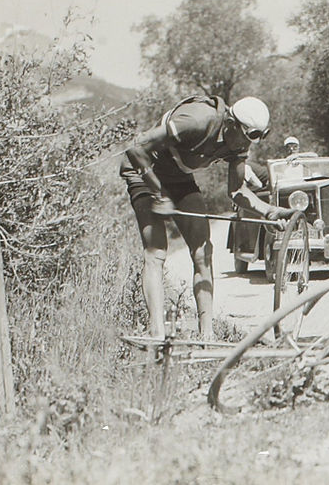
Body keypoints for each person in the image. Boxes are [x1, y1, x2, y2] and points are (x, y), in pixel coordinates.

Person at [120, 95, 294, 340]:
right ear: (231, 123)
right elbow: (135, 146)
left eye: (256, 137)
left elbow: (237, 192)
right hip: (144, 171)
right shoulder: (197, 120)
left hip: (179, 177)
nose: (249, 144)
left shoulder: (239, 143)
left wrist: (269, 211)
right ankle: (157, 334)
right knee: (156, 250)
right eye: (249, 136)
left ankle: (207, 335)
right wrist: (159, 194)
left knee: (203, 251)